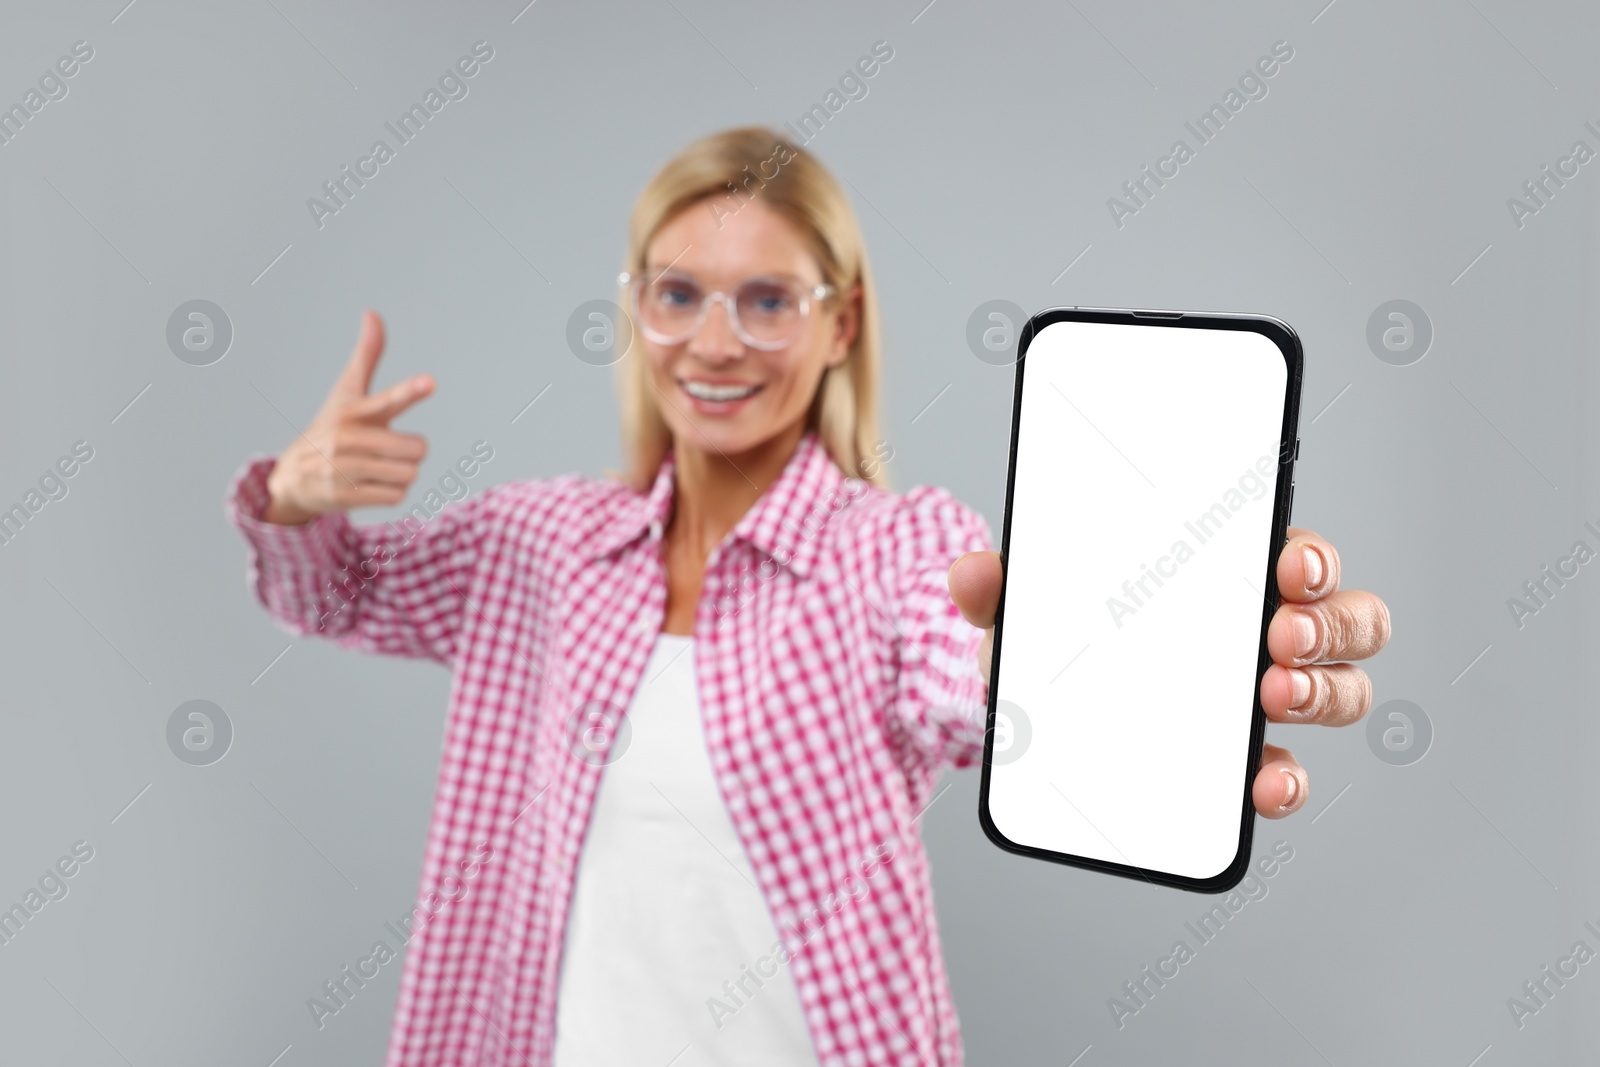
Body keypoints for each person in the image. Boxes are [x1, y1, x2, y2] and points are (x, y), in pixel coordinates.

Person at [225, 126, 1390, 1067]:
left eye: (767, 299)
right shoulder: (538, 542)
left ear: (840, 321)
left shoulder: (897, 551)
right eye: (677, 292)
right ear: (637, 311)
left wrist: (1121, 670)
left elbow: (969, 679)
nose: (715, 341)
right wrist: (291, 495)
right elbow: (339, 593)